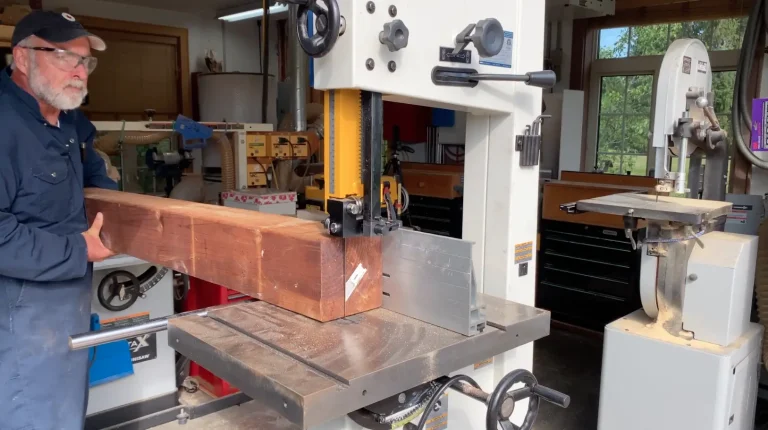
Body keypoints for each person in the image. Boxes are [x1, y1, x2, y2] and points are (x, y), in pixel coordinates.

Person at [0, 10, 118, 429]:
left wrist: (122, 210)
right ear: (23, 58)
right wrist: (77, 249)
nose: (79, 71)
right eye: (64, 57)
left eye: (85, 61)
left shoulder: (67, 119)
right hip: (20, 320)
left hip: (65, 308)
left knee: (65, 415)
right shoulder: (5, 125)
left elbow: (91, 175)